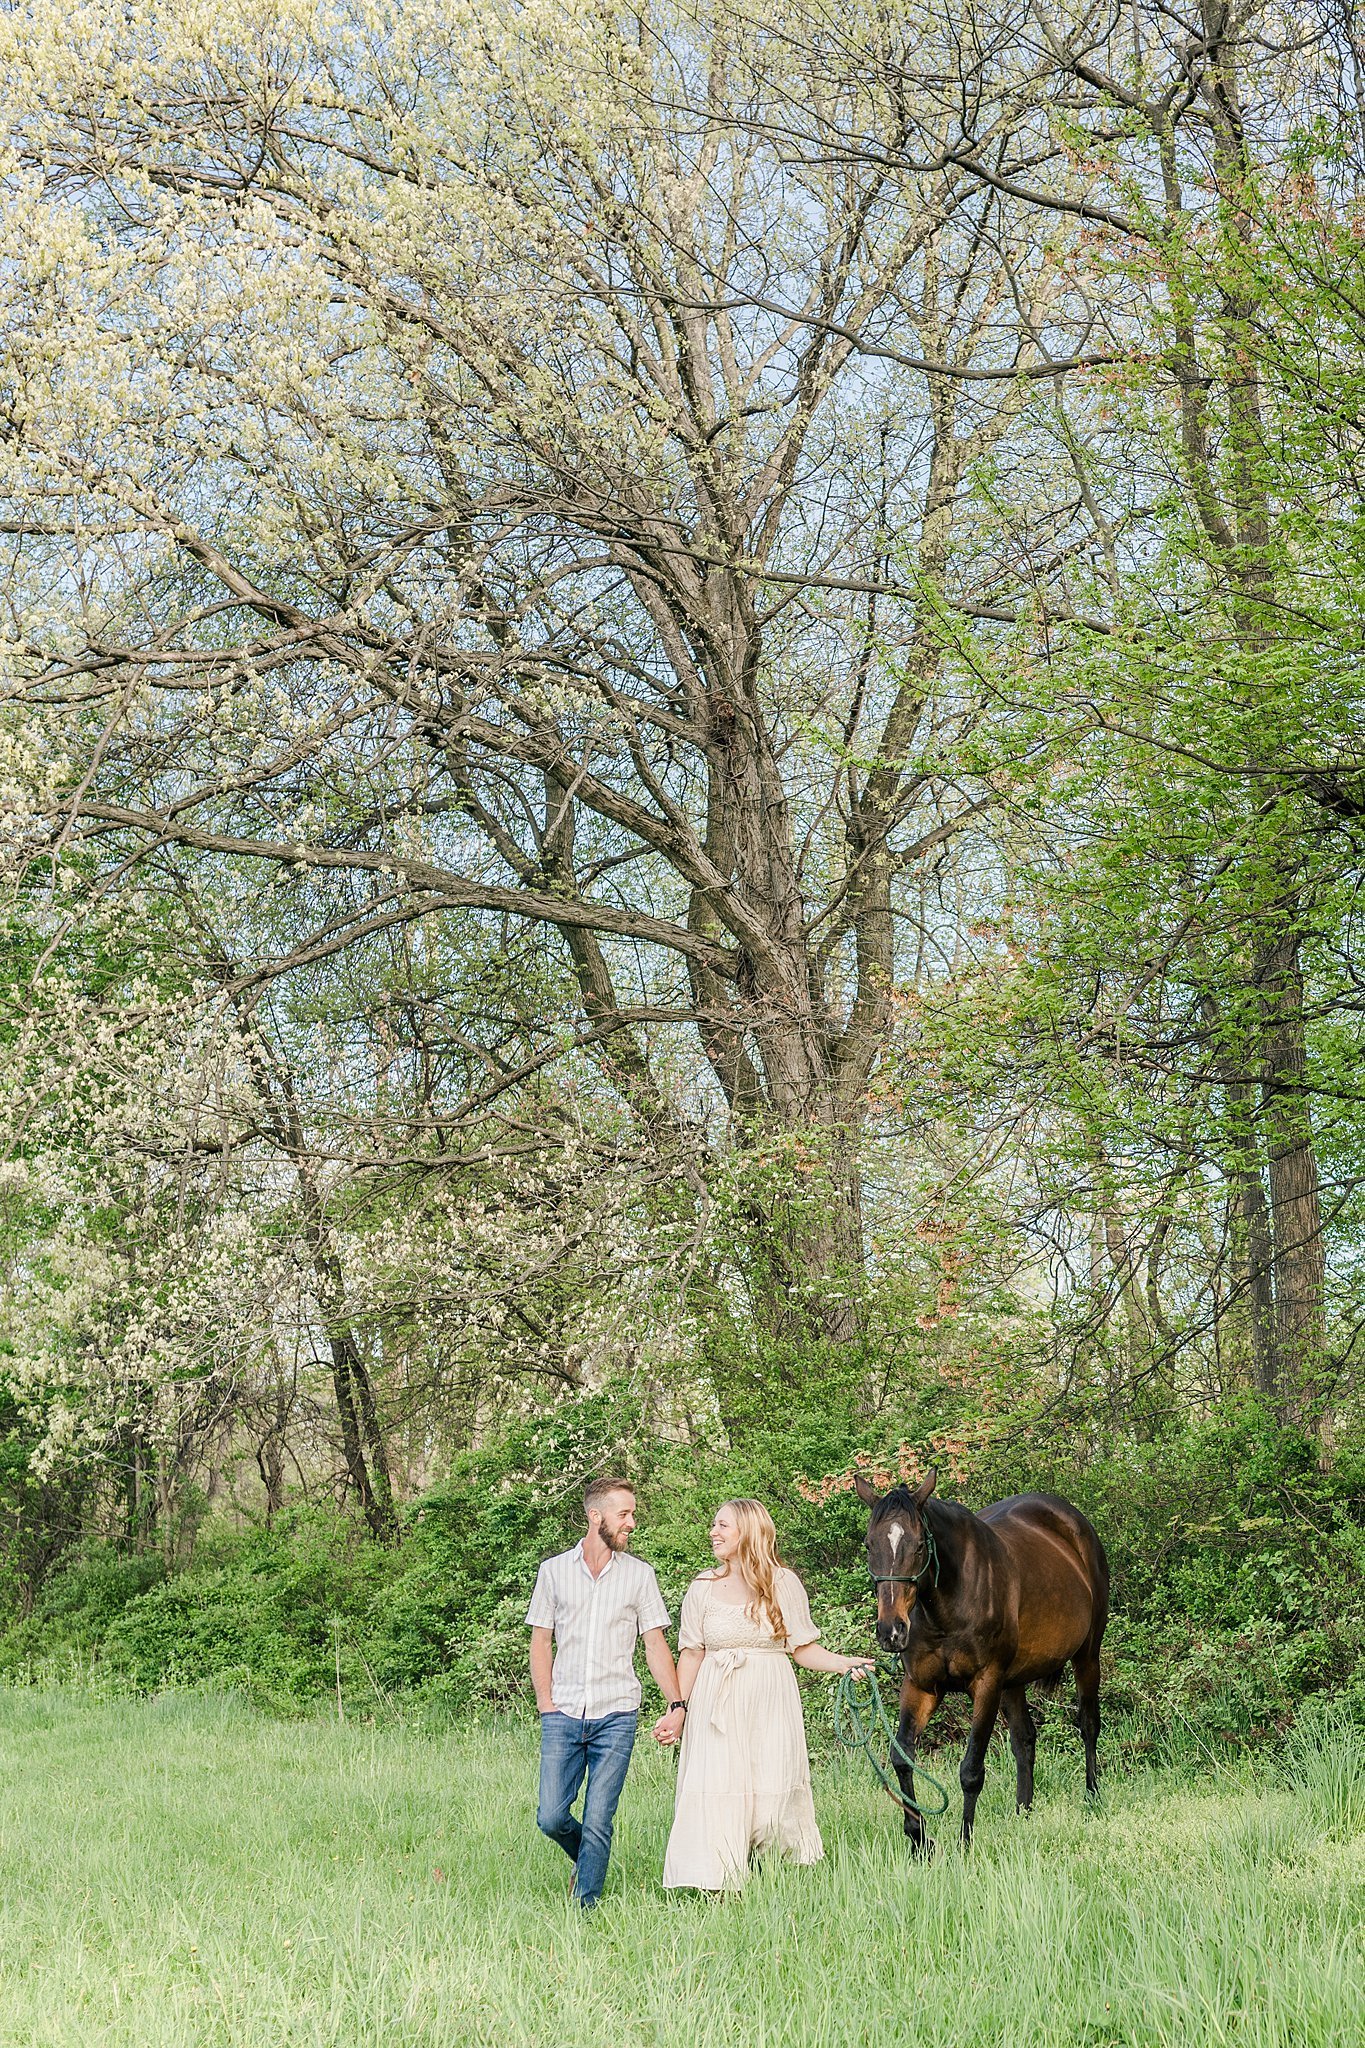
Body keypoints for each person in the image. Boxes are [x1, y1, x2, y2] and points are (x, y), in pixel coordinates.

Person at [659, 1497, 872, 1893]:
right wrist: (678, 1709)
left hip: (770, 1697)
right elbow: (691, 1652)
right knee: (718, 1781)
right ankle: (716, 1880)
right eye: (714, 1524)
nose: (713, 1532)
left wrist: (844, 1663)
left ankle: (773, 1873)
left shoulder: (783, 1583)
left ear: (749, 1532)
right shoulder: (702, 1587)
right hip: (715, 1698)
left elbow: (802, 1648)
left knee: (772, 1783)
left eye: (723, 1525)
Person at [526, 1476, 686, 1909]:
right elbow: (541, 1641)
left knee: (599, 1817)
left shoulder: (640, 1576)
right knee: (551, 1817)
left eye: (632, 1514)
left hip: (617, 1713)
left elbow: (655, 1644)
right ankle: (589, 1859)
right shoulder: (554, 1572)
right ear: (595, 1516)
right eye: (624, 1514)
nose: (631, 1522)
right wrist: (546, 1703)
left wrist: (677, 1704)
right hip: (562, 1711)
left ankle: (585, 1907)